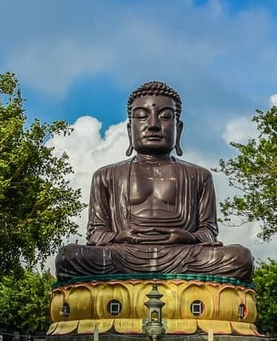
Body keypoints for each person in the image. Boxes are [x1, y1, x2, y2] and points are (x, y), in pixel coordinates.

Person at [55, 81, 253, 283]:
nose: (153, 125)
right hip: (123, 255)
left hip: (182, 255)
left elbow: (208, 231)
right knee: (69, 257)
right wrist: (120, 237)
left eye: (166, 117)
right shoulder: (106, 176)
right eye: (141, 116)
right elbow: (96, 231)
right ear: (130, 128)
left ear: (178, 128)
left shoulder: (199, 176)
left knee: (240, 258)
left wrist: (188, 237)